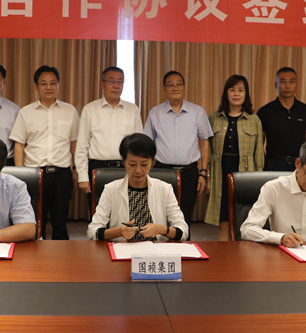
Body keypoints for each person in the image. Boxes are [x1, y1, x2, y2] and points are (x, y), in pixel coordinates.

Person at [9, 65, 80, 240]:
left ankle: (61, 254)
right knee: (35, 219)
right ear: (36, 86)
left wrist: (76, 169)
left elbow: (74, 143)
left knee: (60, 220)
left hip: (62, 173)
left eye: (53, 83)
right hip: (35, 173)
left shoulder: (70, 111)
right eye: (43, 83)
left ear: (58, 85)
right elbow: (19, 144)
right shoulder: (26, 112)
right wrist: (21, 173)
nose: (48, 87)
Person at [88, 133, 188, 242]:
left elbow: (183, 231)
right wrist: (118, 232)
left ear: (152, 163)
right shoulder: (111, 189)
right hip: (122, 249)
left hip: (155, 250)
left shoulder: (165, 189)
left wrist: (161, 229)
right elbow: (92, 231)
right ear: (124, 162)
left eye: (144, 164)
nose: (138, 170)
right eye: (132, 164)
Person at [143, 70, 212, 223]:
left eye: (179, 84)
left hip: (189, 172)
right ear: (164, 89)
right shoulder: (155, 113)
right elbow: (147, 144)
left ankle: (184, 240)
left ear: (184, 87)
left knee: (185, 217)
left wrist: (203, 173)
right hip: (162, 171)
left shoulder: (197, 112)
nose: (175, 88)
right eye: (170, 85)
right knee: (161, 216)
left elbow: (204, 143)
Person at [204, 75, 265, 240]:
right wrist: (207, 177)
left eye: (240, 90)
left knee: (243, 219)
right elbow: (208, 150)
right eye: (232, 90)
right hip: (220, 173)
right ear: (226, 93)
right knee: (223, 219)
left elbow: (259, 153)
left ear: (246, 94)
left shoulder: (254, 120)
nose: (236, 94)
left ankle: (240, 253)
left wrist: (258, 179)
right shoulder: (214, 117)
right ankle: (223, 252)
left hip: (245, 174)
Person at [75, 67, 144, 197]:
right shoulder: (90, 109)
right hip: (97, 168)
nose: (116, 86)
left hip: (126, 168)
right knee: (99, 209)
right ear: (102, 84)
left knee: (126, 208)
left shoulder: (132, 110)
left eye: (120, 82)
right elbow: (82, 146)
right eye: (112, 81)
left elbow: (139, 145)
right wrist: (83, 177)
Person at [257, 67, 306, 171]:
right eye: (283, 82)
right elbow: (259, 143)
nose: (287, 86)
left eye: (291, 81)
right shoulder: (265, 111)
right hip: (272, 165)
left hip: (298, 165)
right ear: (276, 85)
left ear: (296, 84)